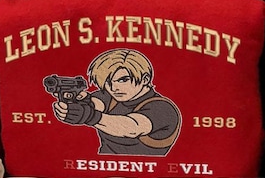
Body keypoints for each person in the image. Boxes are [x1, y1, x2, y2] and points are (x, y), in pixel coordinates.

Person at [52, 49, 181, 156]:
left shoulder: (163, 108)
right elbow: (95, 103)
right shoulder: (110, 96)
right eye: (108, 82)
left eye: (123, 80)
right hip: (102, 169)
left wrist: (89, 116)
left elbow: (132, 127)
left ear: (145, 79)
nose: (114, 88)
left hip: (147, 173)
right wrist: (76, 103)